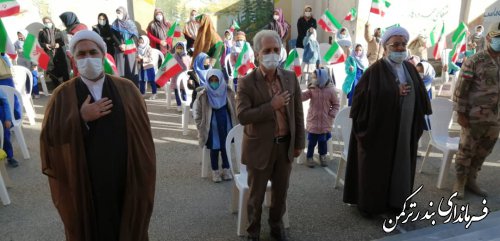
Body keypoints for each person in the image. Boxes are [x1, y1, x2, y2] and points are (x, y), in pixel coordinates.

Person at [40, 30, 156, 241]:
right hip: (85, 180)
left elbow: (143, 137)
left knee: (128, 226)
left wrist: (142, 173)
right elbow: (50, 139)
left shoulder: (127, 89)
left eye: (93, 52)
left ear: (103, 55)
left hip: (125, 176)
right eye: (81, 54)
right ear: (73, 58)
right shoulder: (62, 95)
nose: (88, 58)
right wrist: (80, 118)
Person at [343, 26, 432, 216]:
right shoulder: (374, 71)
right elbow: (361, 101)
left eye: (403, 44)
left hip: (403, 129)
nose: (400, 48)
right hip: (380, 132)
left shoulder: (409, 67)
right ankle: (373, 206)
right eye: (395, 44)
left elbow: (421, 93)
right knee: (377, 169)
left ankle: (397, 202)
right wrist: (393, 92)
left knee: (400, 165)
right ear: (385, 47)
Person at [236, 30, 304, 241]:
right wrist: (271, 106)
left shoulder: (290, 77)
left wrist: (299, 142)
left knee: (281, 193)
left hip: (285, 147)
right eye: (267, 50)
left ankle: (276, 226)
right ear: (257, 54)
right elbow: (242, 116)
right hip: (260, 148)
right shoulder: (247, 82)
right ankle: (253, 232)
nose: (272, 54)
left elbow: (298, 112)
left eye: (276, 49)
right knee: (256, 196)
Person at [452, 22, 500, 199]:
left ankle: (472, 179)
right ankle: (460, 182)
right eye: (497, 38)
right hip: (473, 116)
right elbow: (461, 88)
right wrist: (460, 113)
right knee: (466, 149)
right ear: (489, 38)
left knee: (484, 150)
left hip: (495, 118)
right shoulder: (475, 60)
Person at [193, 69, 238, 183]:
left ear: (221, 80)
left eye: (216, 80)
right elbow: (197, 112)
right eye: (211, 80)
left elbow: (234, 107)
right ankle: (215, 171)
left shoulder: (228, 92)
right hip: (211, 129)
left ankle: (226, 169)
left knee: (225, 148)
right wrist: (200, 125)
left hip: (226, 126)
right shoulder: (203, 95)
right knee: (214, 149)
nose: (214, 82)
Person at [301, 68, 339, 168]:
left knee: (323, 142)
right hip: (313, 121)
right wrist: (297, 93)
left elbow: (336, 104)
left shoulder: (331, 90)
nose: (313, 79)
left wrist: (331, 114)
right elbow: (303, 96)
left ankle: (323, 156)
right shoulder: (312, 89)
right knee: (311, 142)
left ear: (322, 78)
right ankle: (309, 157)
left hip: (325, 122)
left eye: (315, 77)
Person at [111, 6, 140, 87]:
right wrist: (120, 45)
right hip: (119, 49)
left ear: (124, 13)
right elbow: (113, 35)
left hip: (130, 48)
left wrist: (126, 44)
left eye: (119, 13)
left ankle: (133, 88)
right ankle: (122, 88)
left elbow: (135, 36)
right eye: (117, 13)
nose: (118, 15)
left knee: (131, 69)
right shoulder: (115, 24)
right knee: (121, 69)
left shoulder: (131, 24)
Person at [39, 17, 70, 87]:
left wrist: (58, 44)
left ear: (51, 22)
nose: (47, 23)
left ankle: (68, 87)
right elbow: (40, 43)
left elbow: (64, 41)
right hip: (49, 55)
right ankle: (57, 89)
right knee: (53, 73)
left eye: (48, 22)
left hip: (59, 54)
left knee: (64, 72)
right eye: (45, 22)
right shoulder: (42, 32)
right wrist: (45, 45)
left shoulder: (58, 31)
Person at [0, 54, 19, 167]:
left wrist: (8, 118)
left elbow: (5, 102)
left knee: (5, 136)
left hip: (1, 113)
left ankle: (10, 156)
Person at [172, 42, 191, 111]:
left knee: (184, 91)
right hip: (175, 77)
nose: (179, 49)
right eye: (178, 48)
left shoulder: (187, 57)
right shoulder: (173, 57)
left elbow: (189, 67)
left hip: (184, 78)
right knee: (177, 91)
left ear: (184, 48)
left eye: (181, 48)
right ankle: (179, 104)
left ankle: (185, 104)